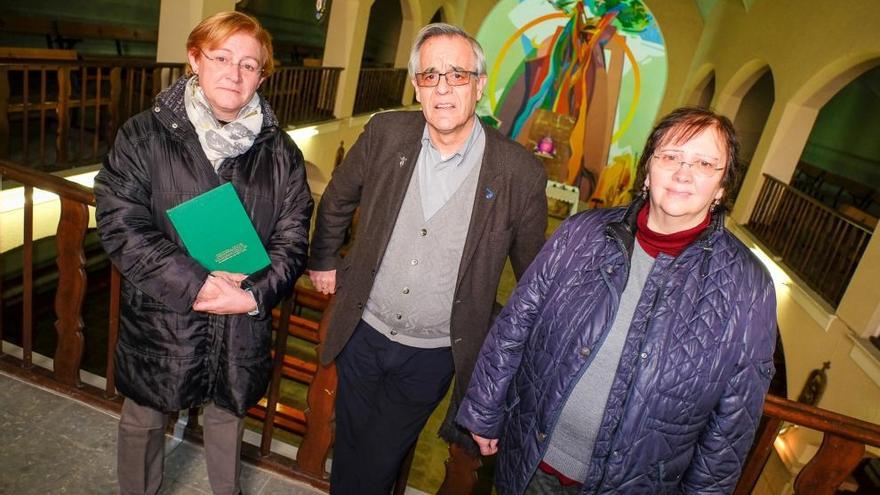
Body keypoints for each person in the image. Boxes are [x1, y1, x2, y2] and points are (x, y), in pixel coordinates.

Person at [457, 107, 778, 494]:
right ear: (648, 171)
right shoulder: (581, 233)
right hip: (533, 459)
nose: (683, 172)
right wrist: (484, 409)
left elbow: (733, 422)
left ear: (723, 187)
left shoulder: (749, 286)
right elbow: (517, 322)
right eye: (670, 156)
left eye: (705, 163)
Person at [307, 23, 548, 495]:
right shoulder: (385, 132)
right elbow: (336, 198)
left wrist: (521, 346)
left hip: (434, 352)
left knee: (380, 454)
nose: (442, 87)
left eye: (457, 75)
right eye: (429, 74)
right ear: (416, 86)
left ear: (479, 85)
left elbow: (533, 276)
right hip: (363, 329)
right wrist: (324, 259)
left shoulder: (519, 172)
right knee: (353, 441)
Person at [94, 12, 313, 495]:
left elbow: (293, 239)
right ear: (195, 59)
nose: (235, 74)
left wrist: (254, 295)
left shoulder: (282, 153)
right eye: (221, 58)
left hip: (241, 319)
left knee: (227, 419)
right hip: (164, 314)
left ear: (262, 74)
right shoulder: (143, 135)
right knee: (144, 420)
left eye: (250, 64)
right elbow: (120, 221)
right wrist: (196, 283)